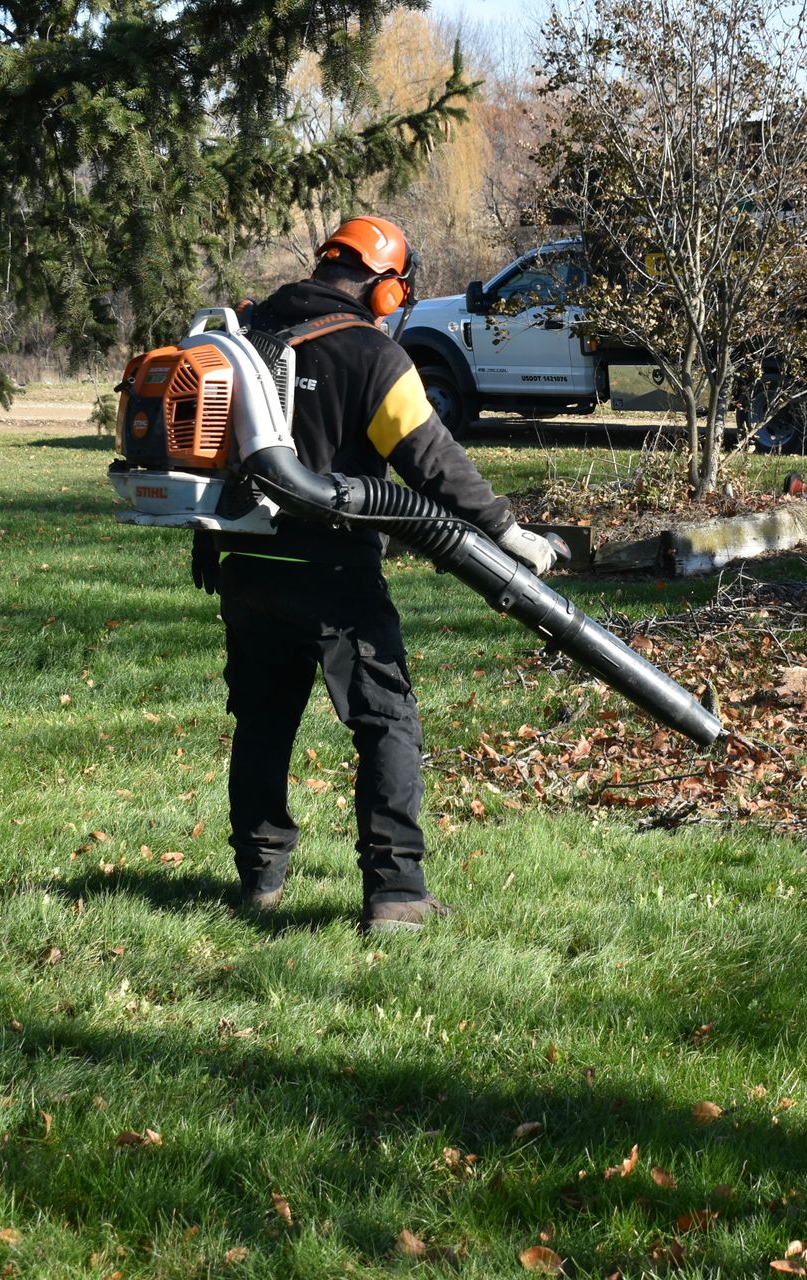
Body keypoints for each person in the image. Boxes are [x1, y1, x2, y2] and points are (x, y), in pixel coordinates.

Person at [192, 215, 557, 933]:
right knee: (387, 724)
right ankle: (395, 895)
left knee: (262, 725)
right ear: (385, 289)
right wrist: (509, 531)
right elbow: (432, 460)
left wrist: (207, 544)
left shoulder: (243, 336)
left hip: (247, 568)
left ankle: (260, 878)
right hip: (334, 573)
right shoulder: (371, 355)